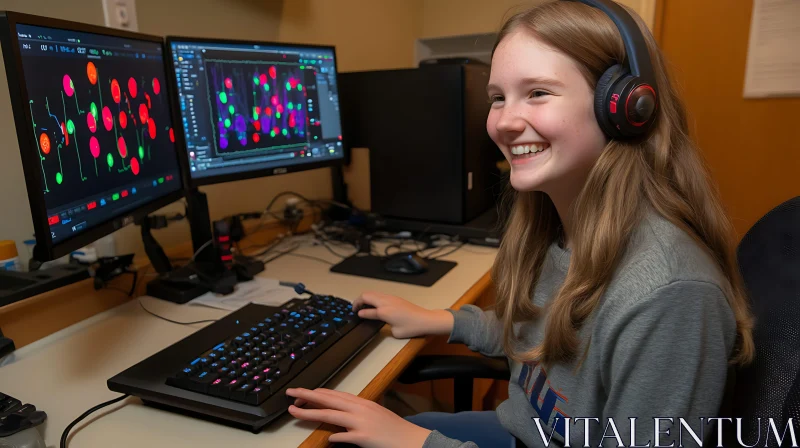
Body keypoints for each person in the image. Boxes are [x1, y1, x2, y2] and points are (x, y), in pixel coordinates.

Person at [286, 1, 755, 447]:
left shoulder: (669, 294)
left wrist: (422, 443)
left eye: (537, 93)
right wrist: (441, 320)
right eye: (497, 98)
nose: (504, 122)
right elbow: (540, 341)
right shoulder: (559, 227)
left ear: (625, 108)